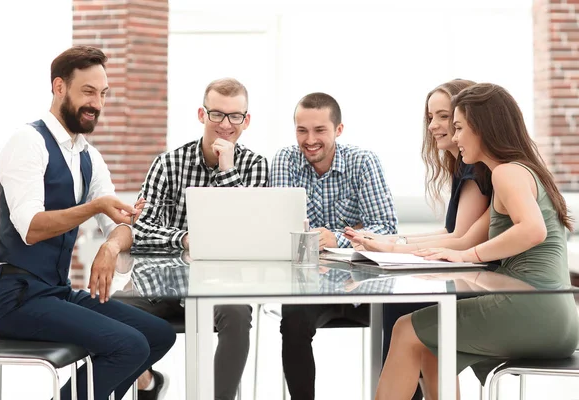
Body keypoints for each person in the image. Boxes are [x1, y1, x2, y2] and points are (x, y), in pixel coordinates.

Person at [0, 46, 176, 400]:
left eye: (103, 94)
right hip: (16, 299)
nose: (97, 104)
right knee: (129, 346)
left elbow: (119, 224)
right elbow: (31, 228)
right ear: (59, 88)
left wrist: (111, 245)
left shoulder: (88, 155)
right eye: (88, 92)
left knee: (158, 334)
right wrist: (94, 207)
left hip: (56, 292)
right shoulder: (27, 142)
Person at [374, 83, 579, 400]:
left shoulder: (506, 174)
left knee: (405, 328)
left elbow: (533, 230)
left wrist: (468, 254)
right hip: (560, 318)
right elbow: (465, 237)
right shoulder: (521, 172)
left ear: (483, 127)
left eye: (458, 127)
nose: (454, 138)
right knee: (431, 345)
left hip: (532, 311)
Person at [345, 79, 492, 400]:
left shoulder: (476, 169)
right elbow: (450, 231)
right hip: (467, 275)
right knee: (401, 307)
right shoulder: (463, 165)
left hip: (479, 283)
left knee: (401, 307)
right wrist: (393, 240)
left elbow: (460, 239)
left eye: (443, 116)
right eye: (430, 117)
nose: (434, 126)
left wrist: (391, 246)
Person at [129, 77, 268, 400]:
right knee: (111, 311)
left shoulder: (255, 166)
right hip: (161, 284)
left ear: (246, 121)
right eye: (216, 114)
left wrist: (228, 169)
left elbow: (249, 235)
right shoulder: (168, 164)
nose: (225, 124)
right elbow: (141, 230)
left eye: (235, 116)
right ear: (201, 115)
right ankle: (147, 381)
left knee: (237, 313)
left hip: (225, 287)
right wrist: (187, 239)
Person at [269, 92, 397, 400]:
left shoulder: (363, 162)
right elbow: (283, 230)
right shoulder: (285, 160)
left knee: (403, 319)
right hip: (310, 283)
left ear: (338, 130)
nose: (309, 140)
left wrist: (336, 237)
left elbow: (387, 228)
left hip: (365, 283)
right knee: (294, 320)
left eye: (319, 130)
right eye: (302, 130)